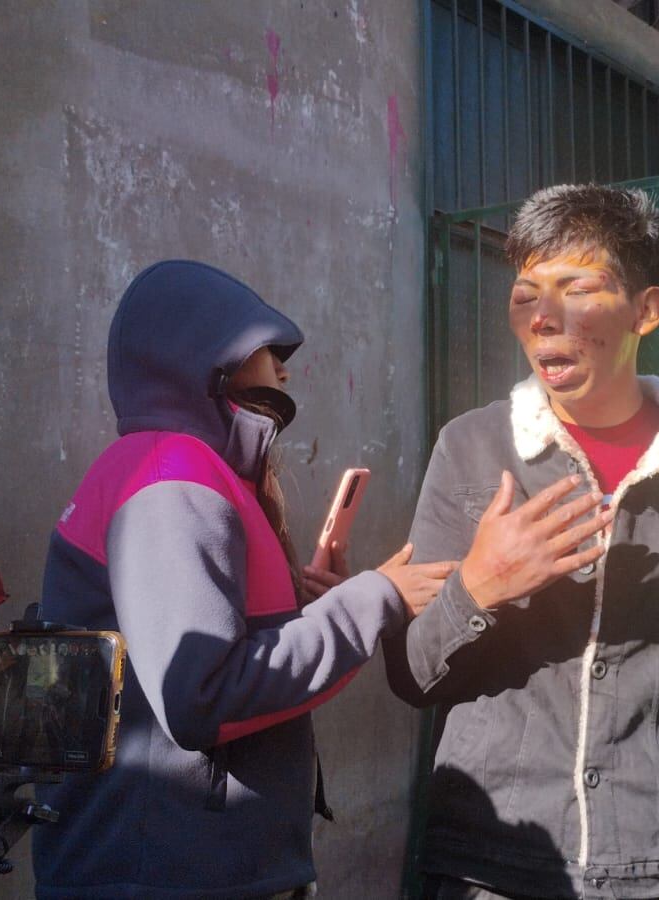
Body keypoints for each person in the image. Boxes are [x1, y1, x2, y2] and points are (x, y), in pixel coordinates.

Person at [385, 184, 659, 900]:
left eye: (576, 290)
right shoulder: (472, 449)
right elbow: (413, 678)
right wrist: (480, 587)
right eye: (527, 293)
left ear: (647, 310)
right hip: (495, 864)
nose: (543, 318)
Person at [33, 260, 457, 899]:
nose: (283, 371)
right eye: (264, 351)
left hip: (182, 868)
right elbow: (200, 696)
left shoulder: (178, 469)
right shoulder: (170, 475)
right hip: (172, 877)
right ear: (203, 357)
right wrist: (378, 599)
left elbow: (221, 668)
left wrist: (318, 611)